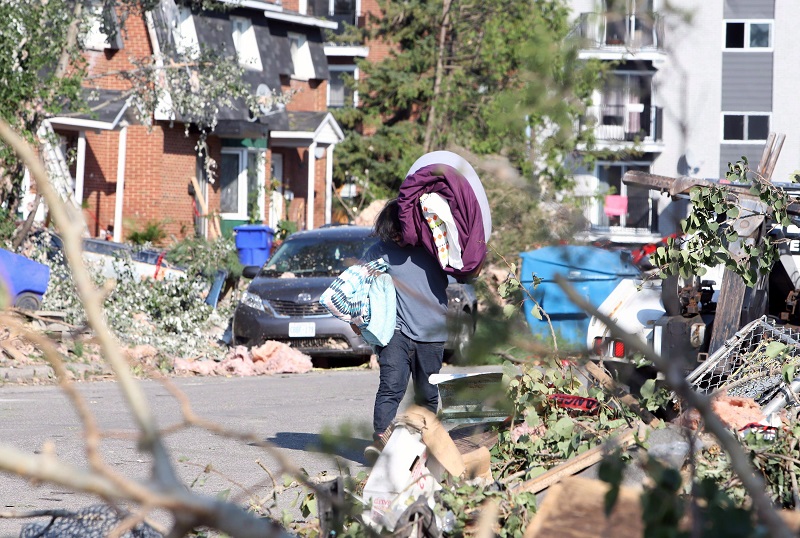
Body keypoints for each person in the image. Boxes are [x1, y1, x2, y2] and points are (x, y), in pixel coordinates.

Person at [358, 198, 449, 460]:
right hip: (395, 330)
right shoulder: (380, 250)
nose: (396, 239)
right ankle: (382, 442)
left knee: (427, 393)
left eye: (400, 233)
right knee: (391, 385)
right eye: (392, 235)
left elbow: (464, 268)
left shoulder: (435, 248)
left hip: (432, 331)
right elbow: (358, 284)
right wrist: (357, 318)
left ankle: (423, 444)